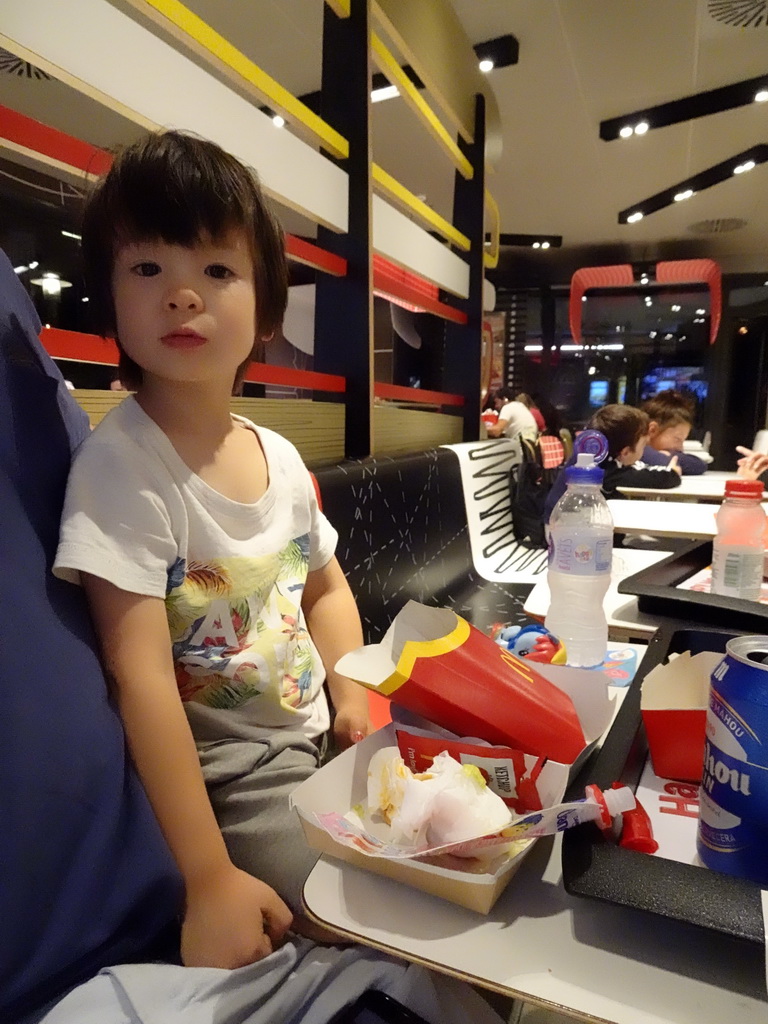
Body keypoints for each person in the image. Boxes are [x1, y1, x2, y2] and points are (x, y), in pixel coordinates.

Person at [52, 130, 372, 970]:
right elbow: (141, 678)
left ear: (266, 311)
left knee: (459, 848)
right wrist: (207, 878)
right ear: (111, 301)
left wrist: (356, 690)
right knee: (376, 912)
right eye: (147, 269)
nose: (182, 296)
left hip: (322, 743)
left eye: (217, 271)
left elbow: (326, 589)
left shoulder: (282, 457)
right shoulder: (121, 469)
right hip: (230, 781)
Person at [544, 404, 681, 522]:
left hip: (569, 529)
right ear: (626, 452)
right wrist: (673, 473)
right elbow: (660, 479)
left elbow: (639, 469)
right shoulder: (604, 469)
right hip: (565, 539)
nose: (644, 450)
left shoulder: (595, 459)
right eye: (643, 445)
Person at [642, 390, 768, 480]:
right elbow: (662, 461)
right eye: (677, 439)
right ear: (652, 430)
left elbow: (699, 465)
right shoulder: (634, 450)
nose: (680, 447)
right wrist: (664, 457)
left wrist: (669, 455)